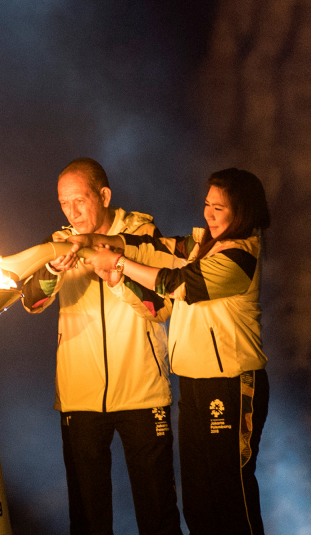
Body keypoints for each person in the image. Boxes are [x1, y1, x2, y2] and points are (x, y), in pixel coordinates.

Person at [69, 168, 271, 535]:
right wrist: (97, 245)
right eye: (207, 205)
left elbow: (177, 284)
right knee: (197, 501)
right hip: (193, 384)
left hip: (231, 383)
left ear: (241, 212)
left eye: (219, 209)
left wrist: (118, 263)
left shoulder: (241, 256)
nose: (209, 214)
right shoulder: (201, 246)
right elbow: (153, 248)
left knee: (229, 492)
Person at [18, 158, 181, 535]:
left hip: (142, 393)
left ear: (104, 196)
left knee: (158, 514)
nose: (71, 212)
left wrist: (117, 278)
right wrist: (54, 270)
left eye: (80, 200)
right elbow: (30, 302)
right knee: (87, 520)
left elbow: (162, 307)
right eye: (64, 203)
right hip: (80, 397)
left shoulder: (142, 234)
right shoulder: (58, 243)